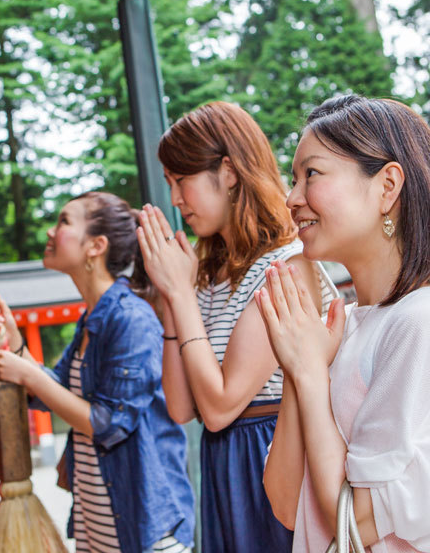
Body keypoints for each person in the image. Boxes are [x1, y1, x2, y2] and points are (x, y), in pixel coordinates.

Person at [136, 101, 335, 553]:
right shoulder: (207, 273)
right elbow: (182, 408)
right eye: (170, 184)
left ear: (227, 172)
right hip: (223, 461)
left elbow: (222, 405)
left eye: (181, 180)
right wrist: (174, 294)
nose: (175, 200)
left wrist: (182, 296)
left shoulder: (287, 266)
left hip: (271, 456)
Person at [256, 95, 430, 552]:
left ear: (387, 185)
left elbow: (356, 523)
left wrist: (310, 371)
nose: (292, 199)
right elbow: (284, 501)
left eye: (310, 174)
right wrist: (299, 363)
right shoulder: (339, 324)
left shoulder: (417, 321)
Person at [0, 191, 195, 553]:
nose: (51, 231)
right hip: (99, 522)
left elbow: (107, 423)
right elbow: (58, 392)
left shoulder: (130, 318)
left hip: (144, 529)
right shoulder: (93, 319)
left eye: (64, 221)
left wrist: (28, 374)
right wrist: (17, 342)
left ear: (96, 245)